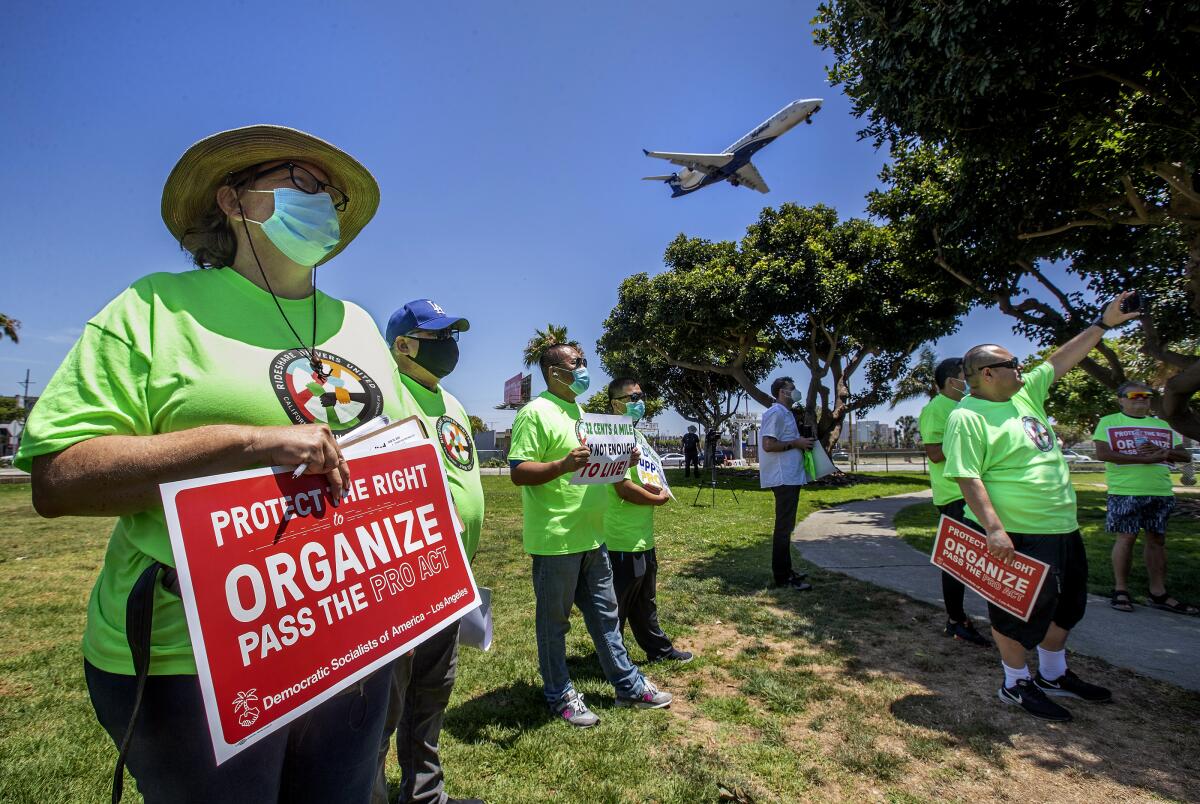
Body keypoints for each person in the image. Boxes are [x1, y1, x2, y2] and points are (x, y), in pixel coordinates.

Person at [17, 126, 418, 802]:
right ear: (233, 201)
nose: (326, 202)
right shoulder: (154, 308)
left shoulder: (357, 325)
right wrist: (245, 444)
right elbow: (59, 477)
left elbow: (403, 457)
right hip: (192, 662)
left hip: (350, 645)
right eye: (304, 183)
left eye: (334, 194)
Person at [943, 293, 1140, 722]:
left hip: (1061, 526)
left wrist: (1102, 325)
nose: (1023, 369)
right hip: (1018, 533)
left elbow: (1059, 360)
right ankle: (1015, 682)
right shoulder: (968, 416)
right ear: (988, 374)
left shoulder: (1025, 395)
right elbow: (967, 475)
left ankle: (1053, 674)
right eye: (1013, 365)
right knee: (1015, 612)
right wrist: (994, 529)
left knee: (1066, 606)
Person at [508, 343, 672, 727]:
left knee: (606, 616)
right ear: (553, 371)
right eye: (575, 363)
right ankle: (559, 694)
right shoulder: (535, 413)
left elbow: (599, 469)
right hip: (556, 539)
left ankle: (628, 686)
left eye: (584, 362)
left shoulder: (582, 413)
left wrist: (622, 460)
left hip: (593, 537)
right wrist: (561, 464)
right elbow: (518, 471)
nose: (583, 369)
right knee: (554, 624)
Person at [375, 299, 484, 804]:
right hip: (401, 579)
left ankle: (424, 795)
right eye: (438, 337)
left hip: (450, 576)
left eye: (452, 336)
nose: (450, 347)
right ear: (402, 344)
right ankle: (368, 793)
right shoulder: (383, 393)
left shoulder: (453, 402)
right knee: (383, 705)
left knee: (432, 692)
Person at [604, 377, 693, 663]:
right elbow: (622, 487)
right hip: (620, 537)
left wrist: (657, 488)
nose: (639, 402)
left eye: (641, 396)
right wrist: (657, 499)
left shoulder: (638, 437)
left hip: (643, 535)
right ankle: (610, 660)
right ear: (615, 403)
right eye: (632, 398)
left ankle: (659, 651)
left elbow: (643, 477)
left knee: (645, 602)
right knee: (617, 605)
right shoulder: (611, 436)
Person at [1092, 382, 1197, 615]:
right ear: (1121, 399)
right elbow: (1104, 454)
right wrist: (1145, 460)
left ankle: (1158, 592)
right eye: (1134, 395)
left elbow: (1185, 454)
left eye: (1147, 396)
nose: (1141, 399)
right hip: (1125, 491)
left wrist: (1164, 452)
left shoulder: (1161, 425)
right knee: (1126, 538)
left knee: (1157, 540)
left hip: (1159, 491)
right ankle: (1120, 590)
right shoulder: (1109, 422)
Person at [917, 358, 989, 646]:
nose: (970, 379)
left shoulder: (968, 405)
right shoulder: (936, 409)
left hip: (977, 491)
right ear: (951, 381)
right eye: (965, 375)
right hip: (954, 495)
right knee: (957, 561)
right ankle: (956, 620)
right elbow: (934, 452)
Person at [758, 377, 813, 591]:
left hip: (792, 477)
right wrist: (796, 443)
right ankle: (782, 577)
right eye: (793, 388)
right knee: (783, 528)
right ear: (783, 392)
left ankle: (787, 571)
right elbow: (768, 444)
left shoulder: (786, 413)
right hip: (783, 478)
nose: (796, 392)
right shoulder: (775, 413)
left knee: (786, 528)